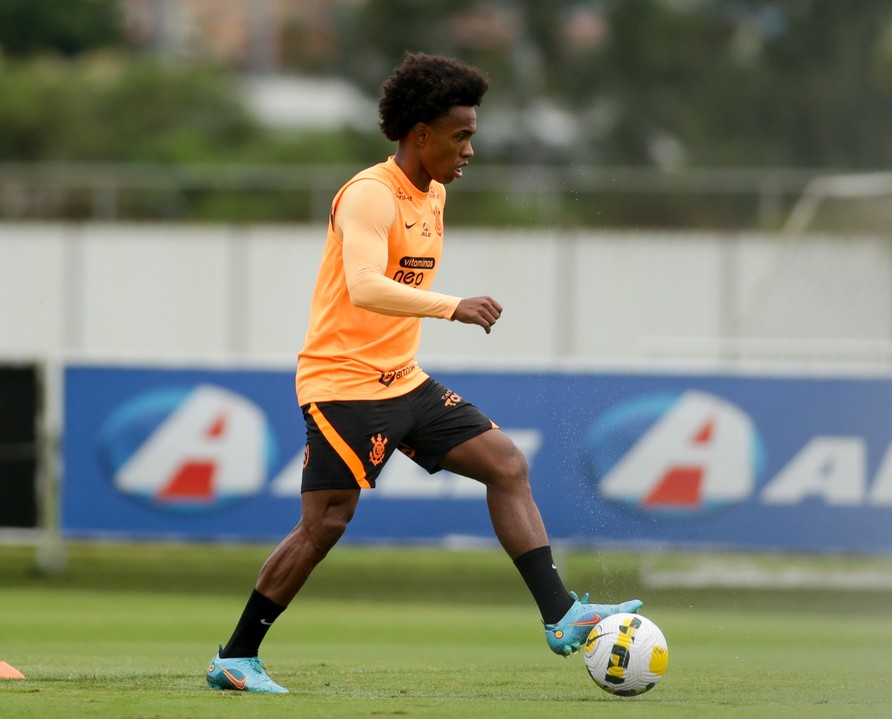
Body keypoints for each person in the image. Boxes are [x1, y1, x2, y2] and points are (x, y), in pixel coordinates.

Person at [206, 52, 642, 694]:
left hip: (404, 380)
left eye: (473, 134)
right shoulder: (368, 196)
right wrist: (452, 306)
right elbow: (362, 286)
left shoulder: (433, 193)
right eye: (461, 135)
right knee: (324, 524)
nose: (470, 149)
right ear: (421, 135)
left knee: (506, 464)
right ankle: (236, 657)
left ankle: (561, 614)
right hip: (344, 383)